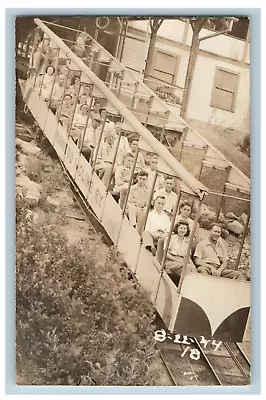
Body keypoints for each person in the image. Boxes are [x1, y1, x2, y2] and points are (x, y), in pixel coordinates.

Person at [163, 221, 197, 285]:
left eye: (185, 229)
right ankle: (184, 289)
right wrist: (176, 260)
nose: (182, 230)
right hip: (171, 261)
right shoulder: (171, 238)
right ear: (177, 228)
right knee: (187, 269)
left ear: (187, 230)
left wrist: (193, 266)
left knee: (193, 270)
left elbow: (187, 257)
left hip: (182, 262)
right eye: (181, 228)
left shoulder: (187, 241)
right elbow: (165, 254)